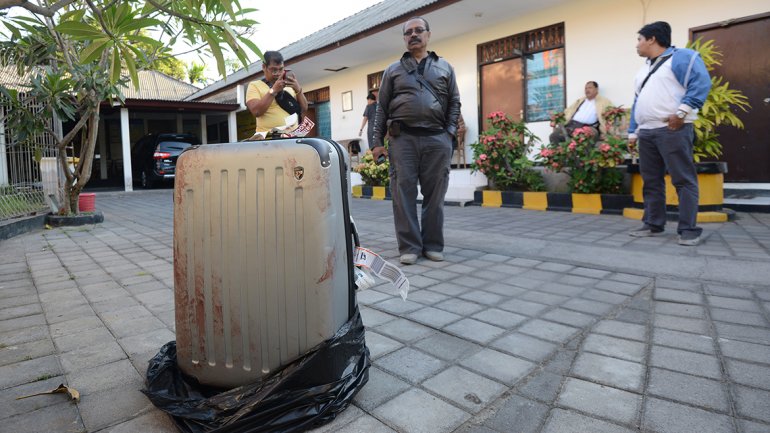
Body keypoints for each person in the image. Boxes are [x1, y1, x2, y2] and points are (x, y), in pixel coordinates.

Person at [371, 16, 461, 265]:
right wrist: (377, 142)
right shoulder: (393, 70)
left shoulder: (445, 67)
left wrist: (449, 133)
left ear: (428, 35)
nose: (413, 35)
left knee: (435, 197)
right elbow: (382, 108)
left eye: (418, 30)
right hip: (403, 141)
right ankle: (409, 246)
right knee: (403, 196)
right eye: (408, 32)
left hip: (436, 139)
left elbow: (454, 102)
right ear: (404, 38)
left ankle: (433, 245)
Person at [627, 21, 711, 246]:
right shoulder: (644, 68)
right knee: (651, 181)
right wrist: (633, 132)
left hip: (673, 128)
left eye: (639, 39)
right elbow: (638, 101)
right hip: (647, 132)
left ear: (652, 39)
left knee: (683, 179)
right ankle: (653, 224)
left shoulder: (682, 57)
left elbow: (701, 82)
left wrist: (682, 112)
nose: (637, 44)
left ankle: (688, 230)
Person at [245, 51, 308, 134]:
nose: (278, 73)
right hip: (269, 140)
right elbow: (256, 111)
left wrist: (298, 90)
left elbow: (304, 109)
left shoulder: (288, 86)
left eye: (281, 69)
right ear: (264, 67)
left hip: (292, 137)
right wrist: (273, 91)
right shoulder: (254, 85)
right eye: (274, 70)